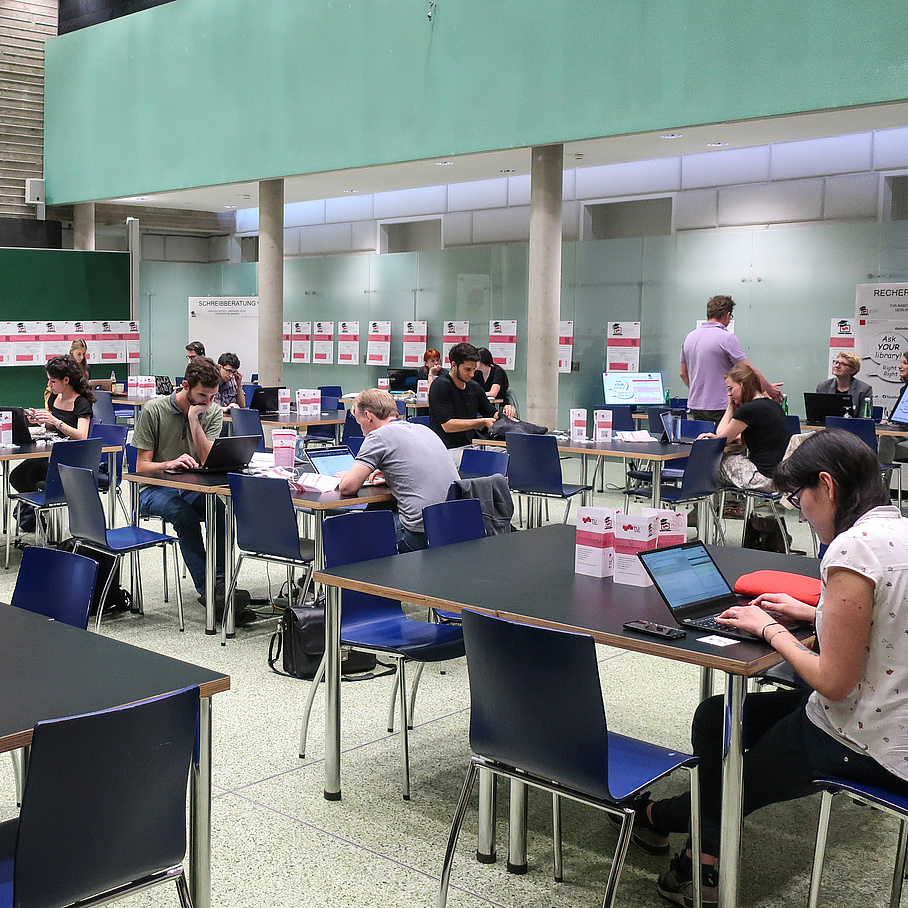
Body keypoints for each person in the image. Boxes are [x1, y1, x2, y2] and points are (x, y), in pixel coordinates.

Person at [628, 429, 908, 907]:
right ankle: (700, 855)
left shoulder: (851, 548)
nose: (799, 511)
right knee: (718, 717)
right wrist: (812, 614)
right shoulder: (897, 530)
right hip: (893, 718)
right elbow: (885, 616)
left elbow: (833, 684)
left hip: (865, 740)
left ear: (828, 485)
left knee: (730, 787)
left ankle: (655, 819)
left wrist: (768, 628)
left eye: (798, 497)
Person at [131, 356, 251, 619]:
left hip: (191, 487)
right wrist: (169, 463)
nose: (209, 402)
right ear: (185, 386)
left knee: (219, 510)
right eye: (203, 396)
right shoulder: (154, 410)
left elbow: (207, 459)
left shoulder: (212, 411)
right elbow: (141, 467)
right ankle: (210, 590)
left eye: (213, 396)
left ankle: (220, 584)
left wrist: (195, 420)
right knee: (183, 515)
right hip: (154, 489)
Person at [338, 388, 459, 552]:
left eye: (360, 424)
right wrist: (391, 475)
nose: (362, 431)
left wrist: (346, 476)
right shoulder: (423, 429)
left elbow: (348, 487)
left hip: (418, 533)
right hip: (452, 529)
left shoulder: (378, 436)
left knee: (346, 533)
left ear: (368, 416)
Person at [680, 295, 781, 424]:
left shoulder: (689, 337)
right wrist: (769, 389)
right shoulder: (727, 338)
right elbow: (748, 370)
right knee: (726, 441)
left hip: (696, 406)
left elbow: (683, 373)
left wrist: (701, 392)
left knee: (705, 441)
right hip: (721, 407)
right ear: (727, 315)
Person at [10, 354, 95, 495]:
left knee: (31, 475)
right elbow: (53, 428)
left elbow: (81, 435)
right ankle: (35, 513)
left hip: (71, 456)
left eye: (53, 381)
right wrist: (42, 421)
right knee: (17, 477)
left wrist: (55, 421)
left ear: (66, 380)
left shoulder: (81, 402)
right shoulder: (54, 397)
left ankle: (38, 512)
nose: (49, 385)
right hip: (53, 450)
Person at [702, 362, 792, 493]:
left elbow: (721, 438)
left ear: (742, 385)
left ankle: (717, 508)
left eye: (730, 388)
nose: (729, 394)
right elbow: (761, 436)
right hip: (782, 477)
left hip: (764, 478)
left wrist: (730, 407)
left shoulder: (748, 409)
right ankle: (731, 506)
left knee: (711, 461)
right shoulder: (773, 405)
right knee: (730, 460)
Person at [428, 342, 515, 466]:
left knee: (509, 457)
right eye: (467, 369)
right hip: (446, 450)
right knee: (487, 464)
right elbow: (447, 425)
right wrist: (482, 421)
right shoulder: (440, 386)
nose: (472, 374)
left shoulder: (474, 387)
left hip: (469, 446)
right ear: (454, 365)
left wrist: (505, 411)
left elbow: (491, 413)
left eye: (474, 369)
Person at [815, 350, 872, 416]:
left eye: (843, 364)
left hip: (852, 425)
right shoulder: (823, 386)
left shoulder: (864, 390)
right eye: (836, 362)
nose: (837, 366)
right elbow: (817, 415)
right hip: (827, 425)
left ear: (853, 370)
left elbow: (864, 419)